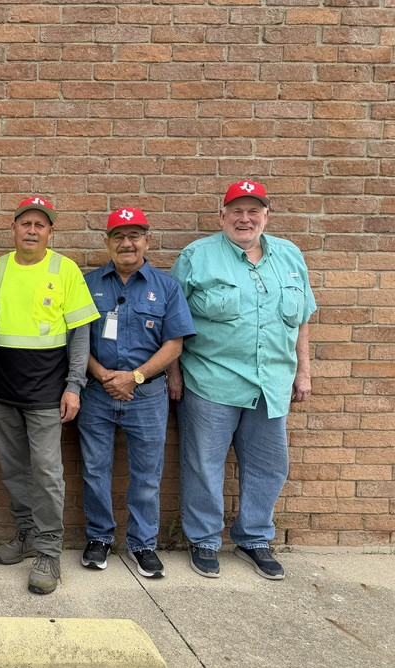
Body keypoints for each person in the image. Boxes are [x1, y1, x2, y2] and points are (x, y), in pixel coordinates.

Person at [169, 180, 315, 581]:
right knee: (203, 465)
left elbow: (302, 319)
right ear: (222, 216)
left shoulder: (289, 256)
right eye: (236, 211)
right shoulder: (197, 256)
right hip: (211, 381)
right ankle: (204, 540)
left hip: (271, 384)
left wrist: (303, 371)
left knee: (271, 466)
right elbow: (171, 320)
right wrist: (174, 371)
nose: (245, 218)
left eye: (253, 211)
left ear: (266, 216)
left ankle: (253, 538)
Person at [0, 196, 99, 595]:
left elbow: (81, 334)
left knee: (46, 473)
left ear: (49, 232)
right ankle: (25, 534)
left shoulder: (65, 270)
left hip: (48, 391)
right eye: (25, 222)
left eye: (40, 225)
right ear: (13, 228)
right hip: (2, 390)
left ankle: (49, 551)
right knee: (13, 469)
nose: (31, 230)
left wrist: (74, 385)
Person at [77, 208, 195, 579]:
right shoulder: (88, 283)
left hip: (147, 398)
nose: (126, 244)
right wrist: (102, 374)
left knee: (146, 474)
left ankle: (143, 544)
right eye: (118, 236)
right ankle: (99, 538)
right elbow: (75, 339)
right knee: (95, 470)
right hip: (96, 393)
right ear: (106, 242)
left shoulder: (166, 287)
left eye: (134, 236)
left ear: (147, 240)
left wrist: (135, 378)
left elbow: (174, 344)